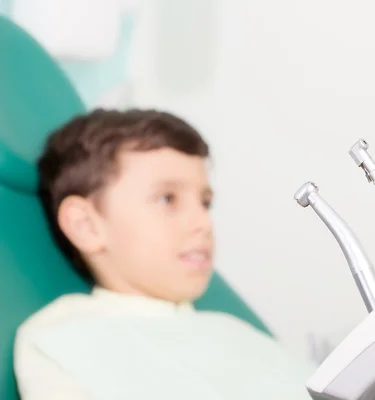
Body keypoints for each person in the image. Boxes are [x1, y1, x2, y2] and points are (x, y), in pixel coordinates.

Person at [13, 109, 315, 399]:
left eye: (205, 203)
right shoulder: (61, 337)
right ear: (86, 225)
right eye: (167, 199)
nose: (203, 223)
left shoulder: (239, 334)